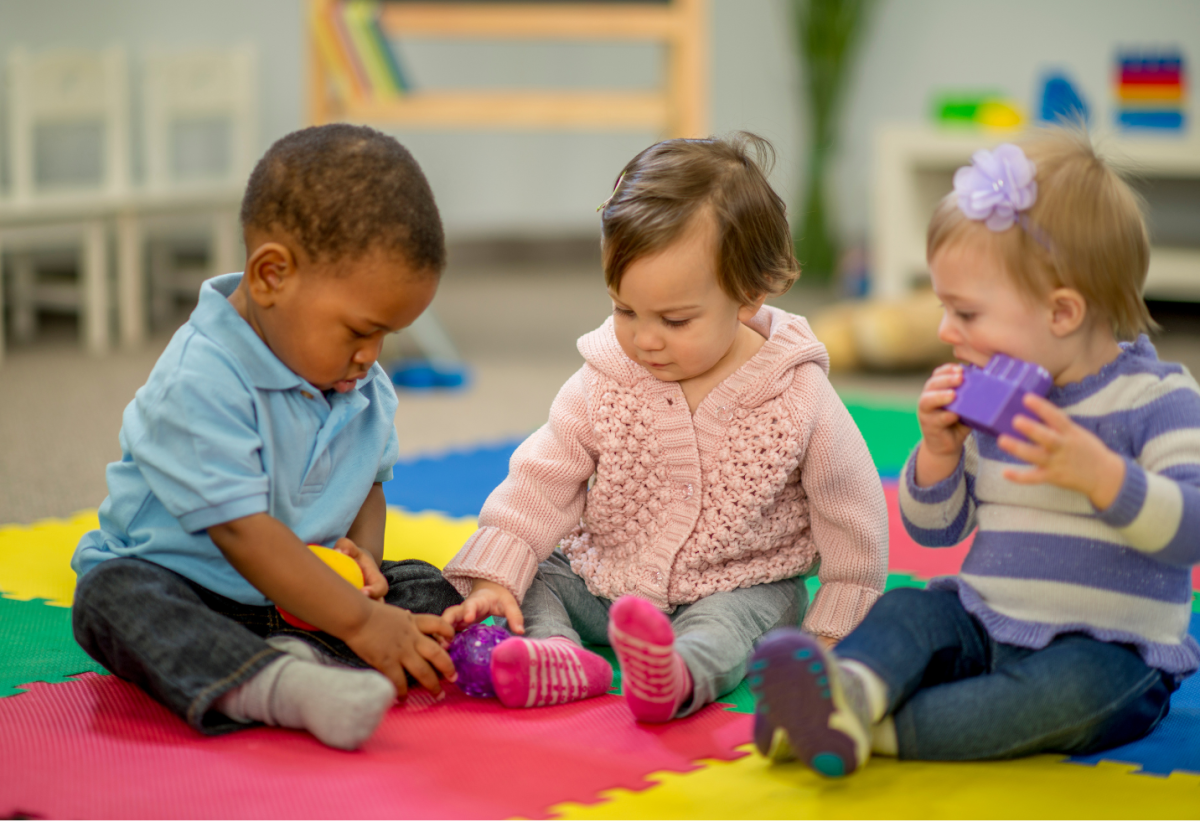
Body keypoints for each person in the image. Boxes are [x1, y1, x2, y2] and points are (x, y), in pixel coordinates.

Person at [749, 126, 1200, 778]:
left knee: (1066, 698)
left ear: (1063, 312)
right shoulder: (993, 395)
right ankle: (847, 694)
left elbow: (1189, 531)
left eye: (966, 313)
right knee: (908, 609)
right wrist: (937, 454)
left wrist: (1104, 477)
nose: (943, 331)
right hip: (987, 621)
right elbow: (935, 532)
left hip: (1111, 653)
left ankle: (869, 734)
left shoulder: (1159, 401)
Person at [440, 133, 889, 723]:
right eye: (625, 310)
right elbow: (542, 479)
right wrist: (497, 576)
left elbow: (850, 509)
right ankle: (555, 654)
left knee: (734, 627)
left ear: (748, 295)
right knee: (535, 575)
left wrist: (838, 622)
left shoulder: (797, 394)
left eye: (675, 320)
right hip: (605, 577)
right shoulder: (605, 378)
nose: (644, 339)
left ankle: (677, 676)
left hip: (737, 584)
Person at [71, 124, 464, 751]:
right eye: (360, 330)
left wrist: (364, 572)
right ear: (271, 275)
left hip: (303, 595)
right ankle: (280, 684)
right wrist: (360, 620)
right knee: (111, 601)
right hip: (188, 586)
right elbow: (241, 532)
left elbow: (367, 485)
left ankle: (484, 657)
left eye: (387, 334)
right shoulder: (199, 380)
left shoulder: (360, 382)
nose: (371, 356)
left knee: (429, 582)